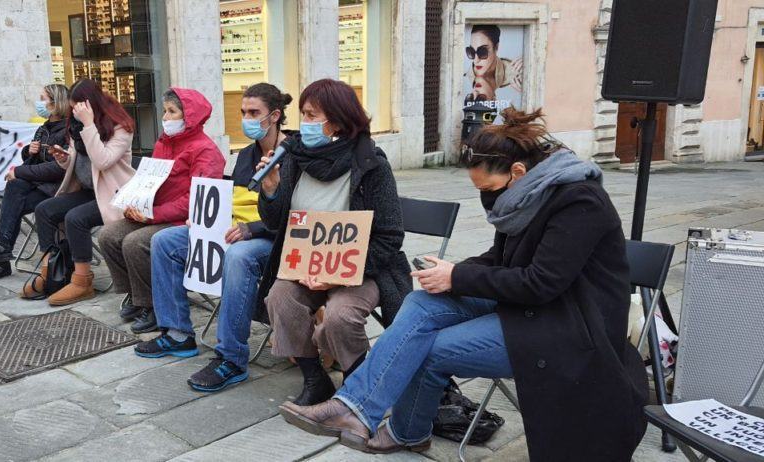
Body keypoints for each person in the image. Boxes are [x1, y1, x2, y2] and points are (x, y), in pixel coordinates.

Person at [276, 108, 648, 461]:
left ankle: (405, 431)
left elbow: (540, 283)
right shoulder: (528, 194)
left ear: (518, 171)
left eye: (488, 188)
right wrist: (450, 271)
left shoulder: (579, 202)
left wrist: (458, 277)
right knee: (422, 305)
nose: (486, 198)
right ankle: (355, 408)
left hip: (566, 323)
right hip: (527, 307)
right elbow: (501, 259)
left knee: (430, 347)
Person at [255, 78, 412, 407]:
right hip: (307, 267)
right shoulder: (297, 159)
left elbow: (390, 237)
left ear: (337, 122)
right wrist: (270, 189)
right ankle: (315, 378)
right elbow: (275, 223)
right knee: (279, 298)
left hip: (364, 270)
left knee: (340, 316)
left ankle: (358, 386)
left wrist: (340, 273)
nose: (304, 125)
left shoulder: (372, 165)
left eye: (313, 116)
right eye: (303, 115)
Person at [133, 83, 293, 392]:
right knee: (165, 241)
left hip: (274, 236)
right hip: (237, 228)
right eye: (243, 112)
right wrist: (207, 217)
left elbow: (296, 211)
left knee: (238, 256)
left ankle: (231, 357)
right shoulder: (246, 155)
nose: (246, 118)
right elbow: (233, 199)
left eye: (254, 113)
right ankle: (179, 335)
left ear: (274, 116)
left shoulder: (293, 155)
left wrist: (254, 229)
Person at [98, 88, 225, 331]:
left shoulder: (205, 151)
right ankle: (137, 295)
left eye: (172, 112)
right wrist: (133, 203)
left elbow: (197, 200)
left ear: (189, 116)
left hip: (182, 221)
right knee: (108, 236)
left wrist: (154, 214)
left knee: (135, 242)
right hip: (156, 212)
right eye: (164, 111)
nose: (165, 117)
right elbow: (148, 181)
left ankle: (153, 305)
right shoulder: (164, 144)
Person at [20, 79, 135, 304]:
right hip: (88, 189)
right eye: (72, 107)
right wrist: (63, 158)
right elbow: (79, 159)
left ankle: (83, 281)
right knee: (45, 209)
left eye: (77, 107)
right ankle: (52, 271)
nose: (73, 111)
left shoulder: (120, 126)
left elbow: (102, 161)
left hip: (113, 194)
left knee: (75, 218)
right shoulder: (77, 126)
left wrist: (89, 125)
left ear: (90, 105)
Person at [0, 83, 71, 282]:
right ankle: (0, 250)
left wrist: (18, 171)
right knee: (15, 189)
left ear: (56, 103)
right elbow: (33, 161)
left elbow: (56, 169)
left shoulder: (67, 132)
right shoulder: (44, 128)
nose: (40, 103)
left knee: (13, 199)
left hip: (56, 189)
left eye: (43, 98)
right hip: (38, 185)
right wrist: (29, 151)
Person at [468, 24, 523, 93]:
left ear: (496, 47)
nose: (476, 60)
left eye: (483, 51)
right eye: (471, 51)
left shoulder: (519, 70)